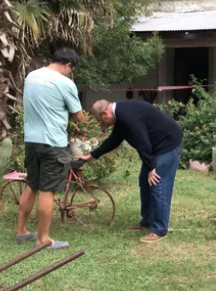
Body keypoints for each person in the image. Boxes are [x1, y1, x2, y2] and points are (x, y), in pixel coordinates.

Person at [77, 100, 183, 243]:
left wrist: (151, 168)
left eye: (102, 121)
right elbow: (114, 140)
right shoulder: (120, 115)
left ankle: (159, 230)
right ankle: (148, 220)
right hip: (156, 146)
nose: (104, 125)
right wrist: (92, 155)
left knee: (158, 183)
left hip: (167, 143)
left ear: (104, 113)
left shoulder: (125, 115)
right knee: (144, 182)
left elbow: (142, 142)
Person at [16, 48, 83, 249]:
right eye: (71, 70)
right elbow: (78, 115)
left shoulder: (31, 76)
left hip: (32, 141)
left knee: (32, 184)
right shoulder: (65, 83)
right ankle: (43, 239)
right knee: (48, 190)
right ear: (68, 65)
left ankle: (21, 231)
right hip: (53, 143)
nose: (70, 73)